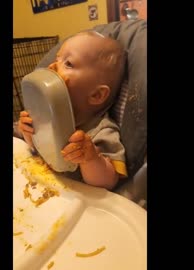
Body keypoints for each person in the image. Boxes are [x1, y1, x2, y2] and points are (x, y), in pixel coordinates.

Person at [17, 31, 127, 190]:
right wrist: (29, 133)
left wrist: (90, 158)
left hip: (79, 202)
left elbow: (108, 182)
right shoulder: (46, 118)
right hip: (42, 188)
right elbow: (38, 149)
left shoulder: (101, 131)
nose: (51, 67)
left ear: (96, 95)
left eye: (68, 63)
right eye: (57, 59)